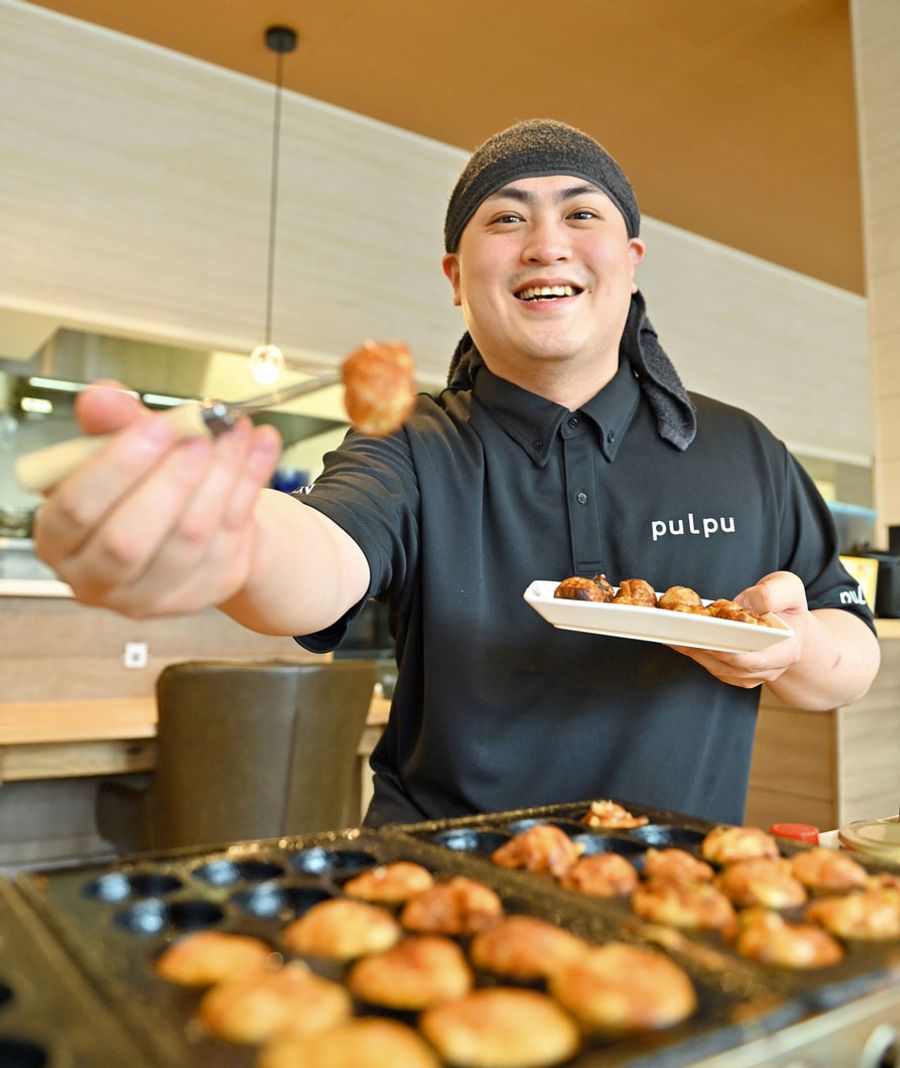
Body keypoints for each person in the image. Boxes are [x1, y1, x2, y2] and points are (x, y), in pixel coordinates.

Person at [33, 118, 880, 829]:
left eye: (580, 214)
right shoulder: (412, 439)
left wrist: (788, 645)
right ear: (454, 278)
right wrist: (230, 532)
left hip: (676, 893)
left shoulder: (740, 446)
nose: (546, 243)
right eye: (505, 220)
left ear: (630, 260)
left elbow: (853, 651)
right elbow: (323, 561)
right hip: (438, 884)